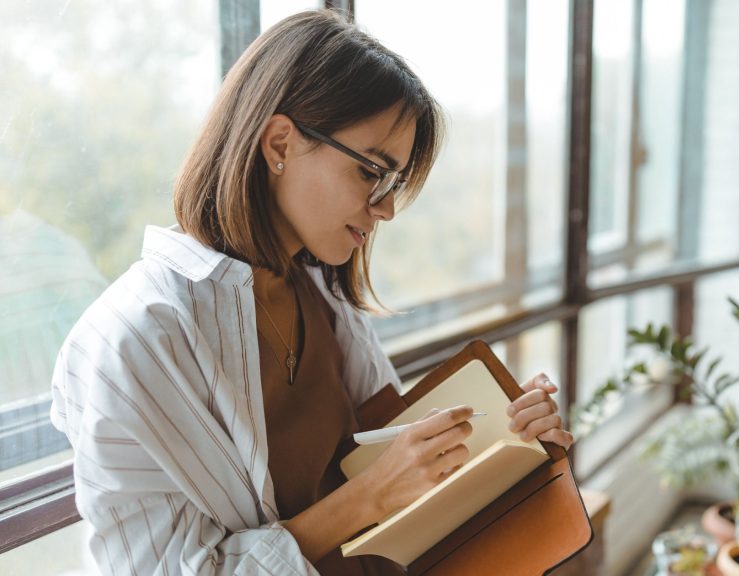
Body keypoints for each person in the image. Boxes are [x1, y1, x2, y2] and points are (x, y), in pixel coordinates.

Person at [49, 10, 573, 576]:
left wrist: (505, 430)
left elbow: (389, 455)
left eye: (394, 182)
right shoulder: (134, 339)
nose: (387, 208)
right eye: (372, 172)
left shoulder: (320, 291)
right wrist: (367, 499)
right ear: (280, 142)